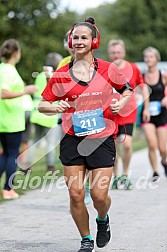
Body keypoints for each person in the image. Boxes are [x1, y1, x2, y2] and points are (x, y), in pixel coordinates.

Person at [38, 17, 133, 252]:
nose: (79, 41)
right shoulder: (61, 74)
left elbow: (128, 91)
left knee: (99, 196)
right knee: (76, 195)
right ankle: (86, 238)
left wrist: (121, 104)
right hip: (72, 138)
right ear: (71, 41)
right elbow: (42, 104)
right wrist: (54, 107)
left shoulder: (109, 69)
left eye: (84, 37)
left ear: (94, 41)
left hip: (101, 138)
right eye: (75, 37)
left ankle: (102, 219)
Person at [108, 39, 150, 190]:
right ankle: (115, 176)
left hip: (128, 111)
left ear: (123, 52)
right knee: (112, 148)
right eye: (113, 53)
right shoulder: (105, 69)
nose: (116, 55)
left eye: (118, 52)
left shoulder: (133, 68)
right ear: (109, 53)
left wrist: (146, 108)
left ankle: (125, 174)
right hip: (110, 113)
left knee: (126, 145)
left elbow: (143, 87)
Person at [0, 39, 37, 199]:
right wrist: (26, 90)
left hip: (4, 119)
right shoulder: (8, 70)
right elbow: (3, 93)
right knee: (12, 154)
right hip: (11, 120)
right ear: (16, 53)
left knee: (5, 154)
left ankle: (6, 188)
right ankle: (8, 190)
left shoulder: (2, 68)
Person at [28, 52, 63, 172]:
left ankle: (26, 166)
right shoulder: (55, 77)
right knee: (50, 142)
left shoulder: (40, 75)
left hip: (37, 113)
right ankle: (50, 166)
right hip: (49, 114)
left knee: (34, 141)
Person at [141, 47, 167, 180]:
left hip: (162, 114)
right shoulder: (142, 77)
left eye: (151, 56)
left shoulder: (163, 75)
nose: (148, 59)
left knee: (163, 148)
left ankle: (164, 162)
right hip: (147, 114)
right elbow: (140, 94)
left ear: (157, 59)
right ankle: (155, 171)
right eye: (146, 57)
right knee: (152, 144)